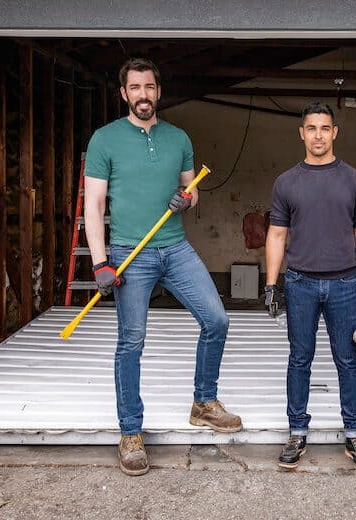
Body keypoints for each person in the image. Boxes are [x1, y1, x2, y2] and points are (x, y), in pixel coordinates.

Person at [84, 58, 241, 477]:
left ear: (158, 91)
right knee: (131, 341)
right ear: (124, 94)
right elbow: (94, 205)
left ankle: (204, 402)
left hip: (175, 248)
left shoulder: (178, 138)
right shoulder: (105, 140)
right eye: (135, 88)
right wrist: (99, 262)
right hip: (128, 253)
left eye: (149, 87)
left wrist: (185, 200)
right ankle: (131, 432)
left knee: (216, 319)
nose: (143, 95)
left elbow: (193, 194)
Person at [264, 102, 356, 473]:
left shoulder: (355, 180)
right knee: (300, 359)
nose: (317, 135)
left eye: (324, 128)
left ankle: (355, 433)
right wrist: (271, 285)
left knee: (348, 360)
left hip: (345, 282)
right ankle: (297, 431)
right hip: (299, 283)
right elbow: (277, 234)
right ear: (302, 133)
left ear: (335, 133)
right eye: (311, 128)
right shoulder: (286, 182)